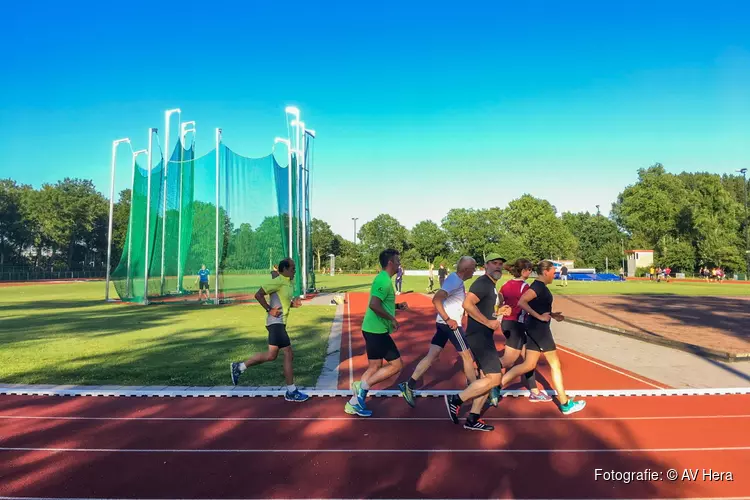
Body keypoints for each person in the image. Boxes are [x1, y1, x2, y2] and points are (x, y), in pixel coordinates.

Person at [500, 260, 586, 415]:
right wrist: (539, 316)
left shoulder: (540, 287)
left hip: (535, 328)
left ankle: (495, 386)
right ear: (545, 272)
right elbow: (522, 302)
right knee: (555, 365)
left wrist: (552, 315)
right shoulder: (538, 286)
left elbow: (536, 306)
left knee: (528, 365)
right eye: (553, 272)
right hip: (539, 330)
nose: (555, 274)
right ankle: (565, 403)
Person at [398, 256, 478, 407]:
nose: (474, 270)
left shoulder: (456, 280)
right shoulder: (454, 281)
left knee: (432, 355)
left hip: (443, 323)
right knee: (467, 357)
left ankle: (409, 385)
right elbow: (436, 299)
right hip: (450, 325)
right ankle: (475, 391)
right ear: (466, 269)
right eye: (473, 268)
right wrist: (449, 319)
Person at [443, 253, 510, 431]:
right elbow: (467, 304)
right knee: (495, 378)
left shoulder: (491, 286)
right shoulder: (482, 283)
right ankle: (456, 400)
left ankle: (473, 418)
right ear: (485, 266)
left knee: (486, 378)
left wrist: (498, 313)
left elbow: (483, 309)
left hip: (483, 335)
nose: (498, 266)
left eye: (500, 264)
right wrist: (488, 322)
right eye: (494, 263)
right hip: (479, 336)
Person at [230, 258, 309, 403]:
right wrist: (269, 309)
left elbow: (282, 301)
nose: (294, 270)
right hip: (275, 323)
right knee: (288, 353)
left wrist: (293, 304)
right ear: (284, 270)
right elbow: (258, 294)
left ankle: (239, 367)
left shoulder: (288, 282)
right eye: (292, 268)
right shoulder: (278, 281)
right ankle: (291, 391)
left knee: (272, 355)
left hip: (280, 323)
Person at [346, 249, 410, 417]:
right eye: (397, 261)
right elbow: (374, 305)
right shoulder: (384, 281)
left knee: (375, 366)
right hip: (377, 331)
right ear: (390, 263)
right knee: (397, 365)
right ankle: (361, 387)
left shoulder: (383, 279)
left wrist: (396, 307)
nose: (399, 264)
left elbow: (381, 303)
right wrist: (392, 319)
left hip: (372, 328)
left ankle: (355, 402)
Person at [495, 258, 551, 403]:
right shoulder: (525, 287)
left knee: (528, 360)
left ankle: (534, 391)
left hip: (507, 323)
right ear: (524, 271)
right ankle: (487, 377)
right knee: (509, 360)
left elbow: (500, 302)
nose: (531, 272)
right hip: (516, 324)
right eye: (530, 270)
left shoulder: (506, 285)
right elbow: (529, 303)